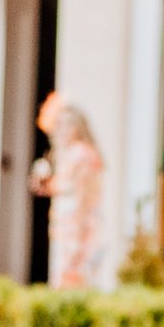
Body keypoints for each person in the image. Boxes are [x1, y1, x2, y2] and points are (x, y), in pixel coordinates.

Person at [30, 92, 105, 291]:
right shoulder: (69, 155)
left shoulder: (82, 155)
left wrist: (78, 240)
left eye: (66, 125)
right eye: (59, 125)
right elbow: (65, 188)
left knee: (72, 282)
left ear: (78, 128)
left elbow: (83, 197)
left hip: (78, 232)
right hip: (67, 231)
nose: (60, 130)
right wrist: (45, 185)